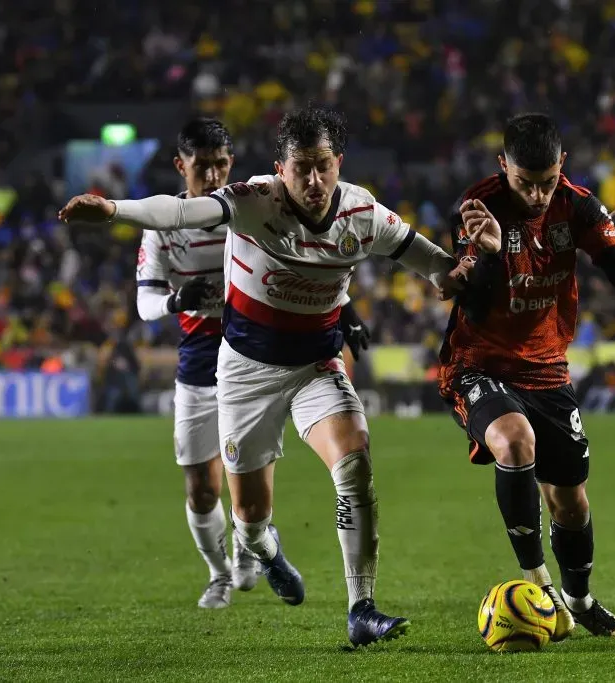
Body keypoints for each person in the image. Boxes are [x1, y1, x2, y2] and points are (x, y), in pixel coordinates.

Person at [61, 105, 469, 646]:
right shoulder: (254, 202)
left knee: (355, 466)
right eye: (302, 167)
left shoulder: (363, 212)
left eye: (324, 165)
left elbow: (436, 264)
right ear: (281, 169)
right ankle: (266, 549)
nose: (315, 180)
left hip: (315, 367)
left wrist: (467, 265)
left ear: (338, 162)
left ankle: (361, 607)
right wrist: (114, 209)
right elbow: (177, 214)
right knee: (249, 520)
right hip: (246, 374)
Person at [135, 118, 372, 609]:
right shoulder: (169, 227)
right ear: (182, 166)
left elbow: (311, 262)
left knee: (252, 484)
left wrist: (345, 312)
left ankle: (253, 548)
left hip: (270, 355)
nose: (215, 175)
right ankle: (219, 572)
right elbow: (144, 303)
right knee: (202, 489)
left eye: (223, 163)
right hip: (201, 362)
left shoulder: (249, 207)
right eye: (203, 166)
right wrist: (176, 301)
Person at [439, 113, 615, 640]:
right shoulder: (477, 207)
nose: (536, 195)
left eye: (547, 182)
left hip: (547, 365)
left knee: (570, 502)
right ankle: (540, 586)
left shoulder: (576, 205)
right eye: (524, 182)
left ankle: (579, 600)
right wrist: (485, 257)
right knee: (514, 441)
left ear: (563, 167)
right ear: (502, 165)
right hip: (479, 361)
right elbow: (475, 302)